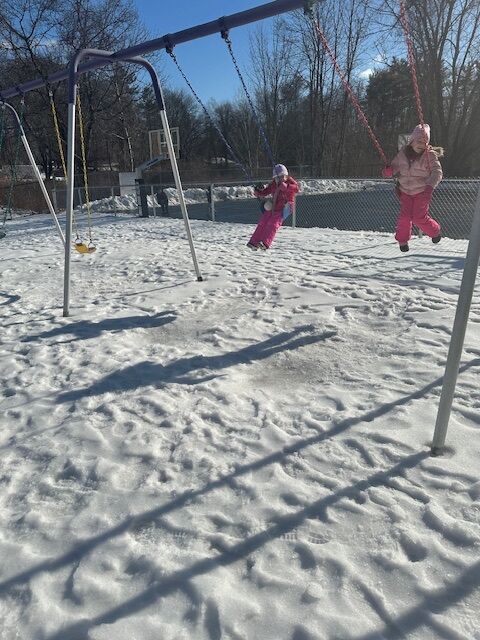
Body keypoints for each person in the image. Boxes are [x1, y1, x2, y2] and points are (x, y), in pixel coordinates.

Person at [383, 124, 443, 252]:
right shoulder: (402, 153)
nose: (421, 143)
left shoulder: (430, 156)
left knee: (418, 217)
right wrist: (388, 171)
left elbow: (437, 172)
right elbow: (393, 167)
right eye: (419, 140)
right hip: (405, 191)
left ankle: (435, 231)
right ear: (412, 141)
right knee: (404, 217)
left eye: (424, 141)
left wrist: (430, 186)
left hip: (422, 191)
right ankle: (403, 241)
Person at [247, 164, 299, 251]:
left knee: (273, 224)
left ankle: (265, 242)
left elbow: (296, 189)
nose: (279, 179)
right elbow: (265, 192)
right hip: (275, 207)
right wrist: (258, 192)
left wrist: (286, 187)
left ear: (286, 175)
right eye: (277, 178)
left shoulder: (290, 182)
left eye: (282, 177)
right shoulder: (274, 184)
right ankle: (254, 242)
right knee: (263, 222)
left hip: (285, 207)